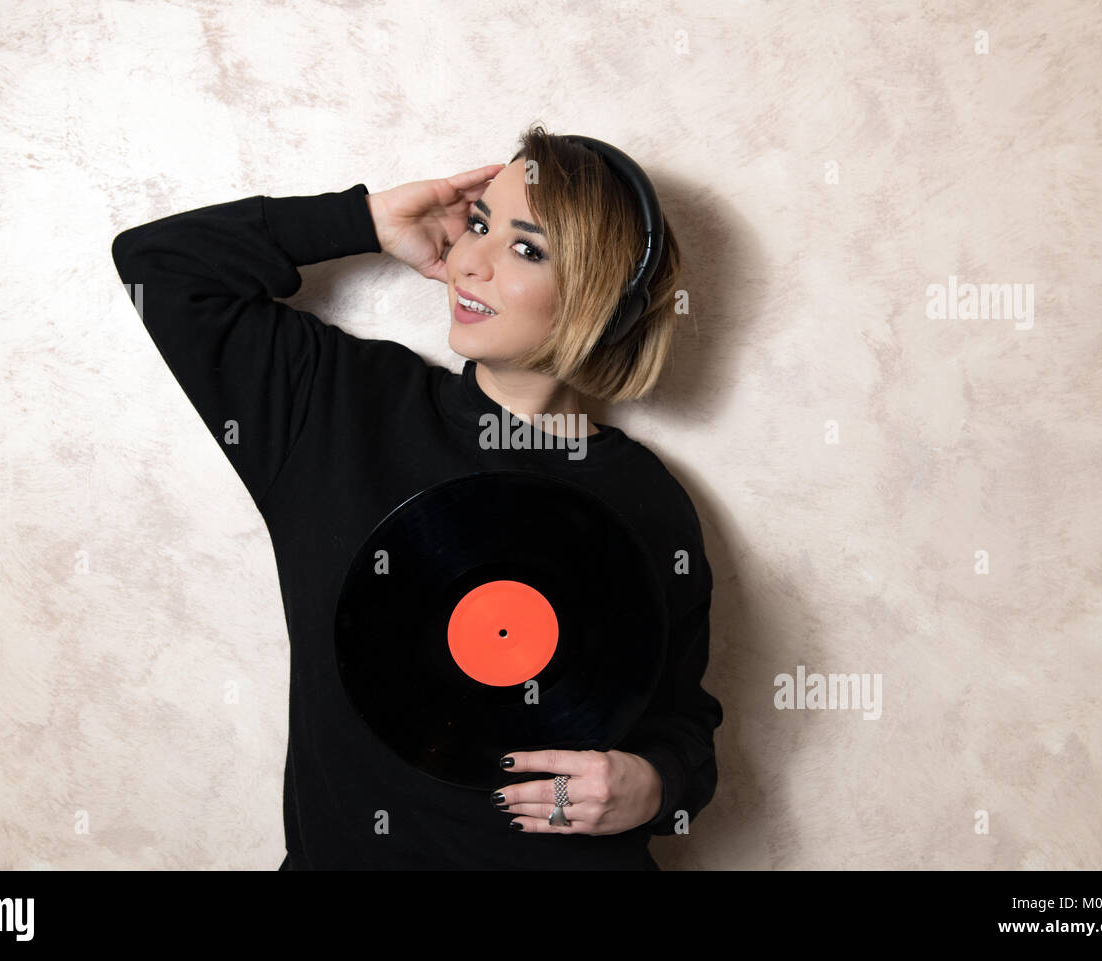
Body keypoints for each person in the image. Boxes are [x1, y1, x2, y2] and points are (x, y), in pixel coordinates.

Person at [111, 123, 722, 870]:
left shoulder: (650, 503)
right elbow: (159, 266)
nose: (472, 262)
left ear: (600, 295)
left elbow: (686, 728)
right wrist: (367, 219)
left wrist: (655, 785)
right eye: (477, 224)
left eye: (526, 248)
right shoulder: (337, 406)